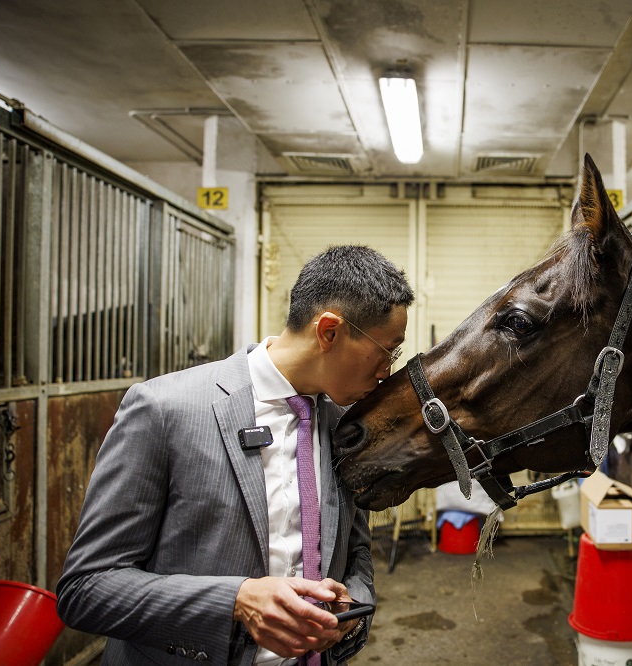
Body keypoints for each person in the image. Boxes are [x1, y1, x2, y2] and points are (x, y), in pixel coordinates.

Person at [57, 245, 414, 666]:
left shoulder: (345, 425)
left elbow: (356, 551)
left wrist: (354, 604)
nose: (387, 371)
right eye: (388, 351)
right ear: (329, 332)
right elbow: (86, 588)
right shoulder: (164, 409)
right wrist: (236, 600)